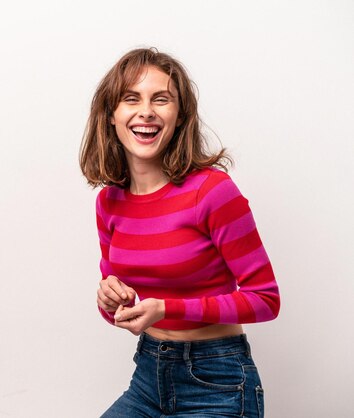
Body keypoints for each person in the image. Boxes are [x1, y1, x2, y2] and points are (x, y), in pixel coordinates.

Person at [79, 47, 280, 418]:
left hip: (216, 383)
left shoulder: (212, 191)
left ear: (180, 115)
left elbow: (265, 299)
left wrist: (167, 308)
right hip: (147, 377)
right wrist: (111, 302)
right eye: (131, 99)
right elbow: (121, 308)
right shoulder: (109, 202)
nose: (146, 112)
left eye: (161, 99)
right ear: (111, 115)